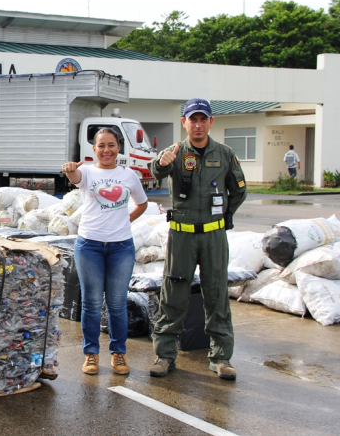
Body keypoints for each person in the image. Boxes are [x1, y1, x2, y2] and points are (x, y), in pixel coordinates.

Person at [148, 98, 247, 380]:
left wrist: (224, 219)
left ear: (211, 122)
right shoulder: (175, 152)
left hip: (214, 236)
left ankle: (221, 357)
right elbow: (158, 171)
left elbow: (239, 191)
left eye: (203, 119)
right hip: (182, 235)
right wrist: (160, 162)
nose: (198, 124)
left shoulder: (225, 154)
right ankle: (165, 355)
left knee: (216, 293)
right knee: (173, 293)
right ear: (184, 122)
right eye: (193, 119)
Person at [63, 127, 148, 376]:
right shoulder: (87, 172)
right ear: (94, 149)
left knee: (117, 303)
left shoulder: (129, 175)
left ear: (118, 147)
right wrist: (70, 170)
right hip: (89, 245)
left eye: (111, 145)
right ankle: (91, 354)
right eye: (101, 145)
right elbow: (75, 177)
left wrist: (125, 222)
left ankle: (118, 353)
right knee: (90, 303)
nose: (106, 150)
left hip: (121, 248)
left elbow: (142, 203)